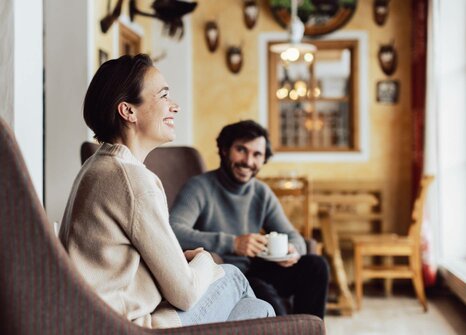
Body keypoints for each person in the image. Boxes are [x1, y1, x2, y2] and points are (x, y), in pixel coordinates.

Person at [58, 55, 274, 329]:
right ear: (128, 111)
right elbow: (184, 294)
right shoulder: (134, 180)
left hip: (96, 320)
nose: (175, 106)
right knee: (232, 275)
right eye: (163, 96)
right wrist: (205, 259)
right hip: (128, 326)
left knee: (259, 308)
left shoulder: (97, 166)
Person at [170, 120, 329, 318]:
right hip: (222, 272)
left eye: (257, 155)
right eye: (241, 150)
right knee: (265, 296)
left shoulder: (261, 192)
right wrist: (233, 243)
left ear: (264, 160)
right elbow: (173, 230)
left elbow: (293, 236)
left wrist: (292, 250)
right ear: (225, 149)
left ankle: (309, 331)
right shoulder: (199, 187)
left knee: (316, 266)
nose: (248, 161)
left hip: (255, 268)